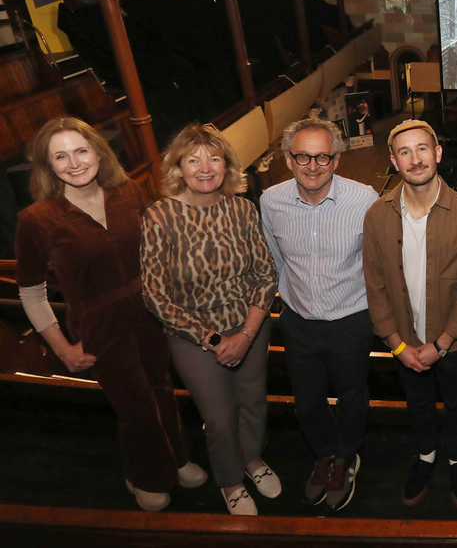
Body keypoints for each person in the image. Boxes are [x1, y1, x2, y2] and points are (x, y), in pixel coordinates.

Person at [15, 117, 207, 512]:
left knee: (162, 391)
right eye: (60, 156)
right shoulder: (35, 219)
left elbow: (155, 251)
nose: (74, 163)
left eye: (81, 151)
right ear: (48, 165)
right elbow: (31, 292)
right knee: (136, 407)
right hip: (100, 329)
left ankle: (176, 458)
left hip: (151, 315)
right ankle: (145, 477)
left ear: (98, 152)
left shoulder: (128, 190)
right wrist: (62, 348)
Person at [141, 124, 279, 516]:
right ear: (178, 167)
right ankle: (230, 480)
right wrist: (216, 341)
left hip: (249, 324)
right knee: (219, 417)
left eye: (214, 159)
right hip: (193, 336)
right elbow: (155, 295)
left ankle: (251, 458)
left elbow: (265, 275)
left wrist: (246, 334)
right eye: (193, 160)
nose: (205, 168)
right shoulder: (159, 217)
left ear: (227, 165)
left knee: (253, 402)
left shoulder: (243, 209)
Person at [260, 118, 378, 511]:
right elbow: (275, 259)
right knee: (307, 402)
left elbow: (376, 260)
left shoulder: (364, 199)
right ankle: (324, 454)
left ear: (337, 160)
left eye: (322, 157)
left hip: (352, 320)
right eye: (303, 157)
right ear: (287, 159)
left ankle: (345, 458)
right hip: (298, 322)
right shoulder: (270, 201)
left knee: (352, 398)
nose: (313, 166)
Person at [363, 120, 457, 509]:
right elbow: (375, 284)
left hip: (453, 342)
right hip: (405, 343)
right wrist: (397, 345)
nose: (415, 159)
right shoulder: (377, 215)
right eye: (405, 152)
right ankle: (426, 456)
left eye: (422, 149)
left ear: (438, 153)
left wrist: (442, 343)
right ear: (393, 161)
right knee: (418, 404)